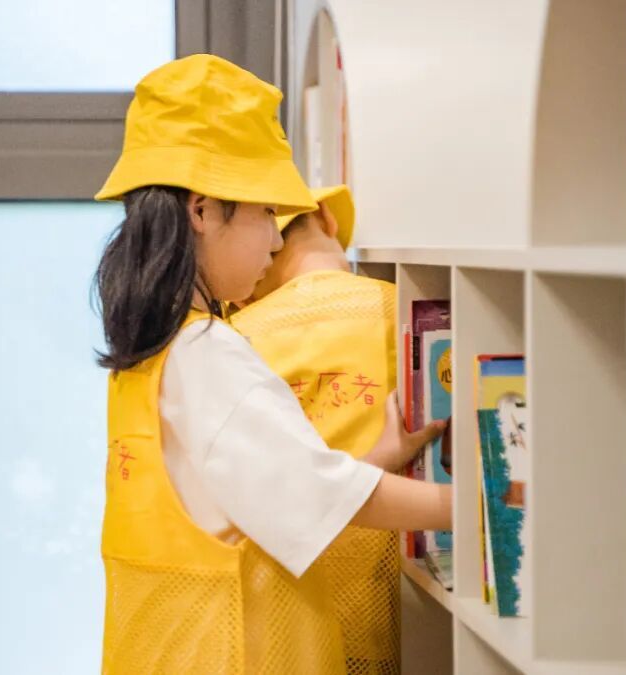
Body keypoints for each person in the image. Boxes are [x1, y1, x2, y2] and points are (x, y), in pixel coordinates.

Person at [93, 53, 451, 674]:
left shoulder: (151, 357)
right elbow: (316, 496)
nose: (278, 238)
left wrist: (377, 457)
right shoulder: (205, 353)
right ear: (202, 211)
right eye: (264, 213)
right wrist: (482, 508)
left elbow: (266, 499)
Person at [231, 185, 403, 674]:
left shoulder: (235, 338)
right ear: (328, 217)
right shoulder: (409, 311)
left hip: (286, 621)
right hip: (397, 604)